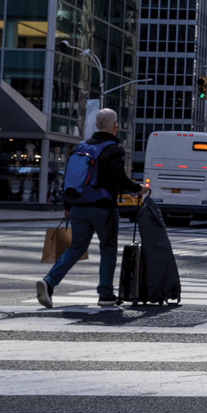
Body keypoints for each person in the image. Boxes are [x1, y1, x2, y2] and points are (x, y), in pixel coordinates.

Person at [37, 108, 145, 309]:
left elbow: (71, 178)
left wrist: (67, 205)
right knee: (108, 249)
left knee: (76, 248)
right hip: (103, 208)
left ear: (96, 125)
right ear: (115, 126)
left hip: (78, 206)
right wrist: (138, 189)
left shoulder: (80, 147)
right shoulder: (114, 149)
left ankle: (49, 282)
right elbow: (117, 177)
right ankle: (105, 294)